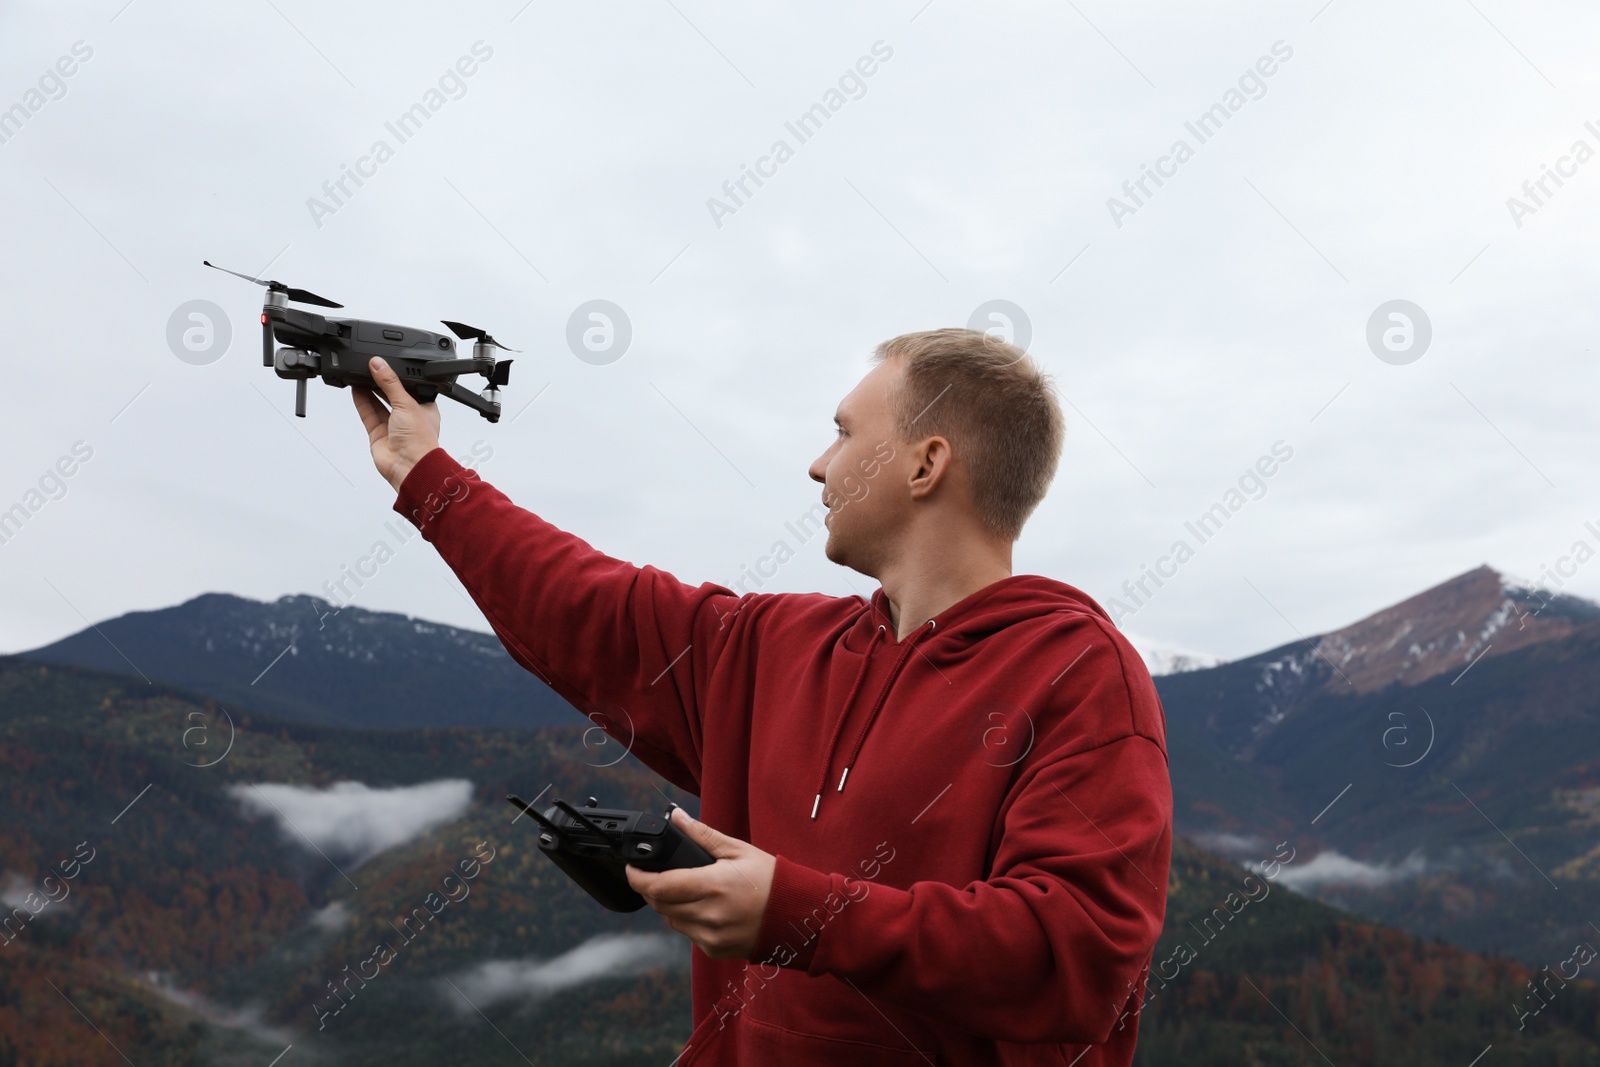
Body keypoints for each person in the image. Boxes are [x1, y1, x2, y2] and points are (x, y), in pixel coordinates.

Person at [353, 327, 1172, 1066]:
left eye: (846, 432)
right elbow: (584, 606)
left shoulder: (1079, 675)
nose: (819, 462)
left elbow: (1074, 952)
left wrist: (798, 913)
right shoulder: (771, 645)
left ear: (926, 464)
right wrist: (426, 473)